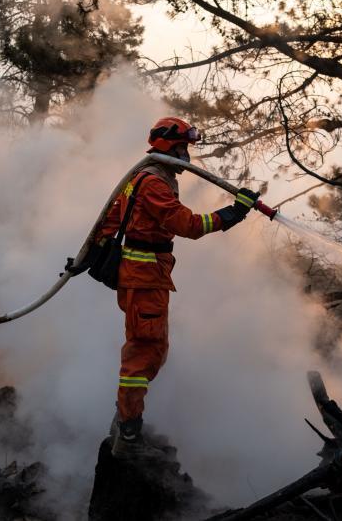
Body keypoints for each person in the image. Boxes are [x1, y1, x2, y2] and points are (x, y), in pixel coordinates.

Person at [95, 117, 258, 457]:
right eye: (184, 147)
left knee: (151, 350)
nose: (187, 155)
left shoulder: (142, 177)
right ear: (170, 146)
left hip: (144, 277)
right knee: (144, 353)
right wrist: (234, 213)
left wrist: (103, 254)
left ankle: (125, 418)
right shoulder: (153, 182)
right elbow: (190, 226)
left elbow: (109, 221)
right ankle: (128, 432)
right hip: (144, 278)